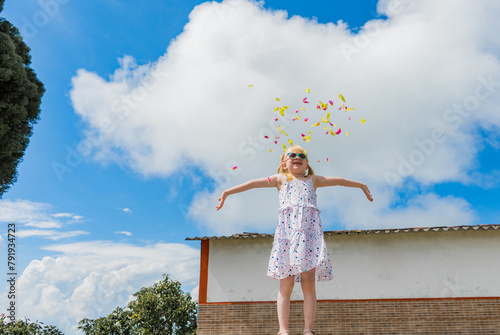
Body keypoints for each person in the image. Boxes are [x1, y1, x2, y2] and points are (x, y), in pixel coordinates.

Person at [216, 145, 373, 335]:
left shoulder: (313, 180)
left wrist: (362, 185)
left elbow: (339, 181)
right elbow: (252, 183)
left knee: (308, 282)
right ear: (284, 163)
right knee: (286, 283)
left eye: (302, 156)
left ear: (307, 163)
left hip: (309, 236)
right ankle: (283, 330)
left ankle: (308, 329)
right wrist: (227, 192)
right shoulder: (280, 179)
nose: (297, 157)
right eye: (292, 155)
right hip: (287, 237)